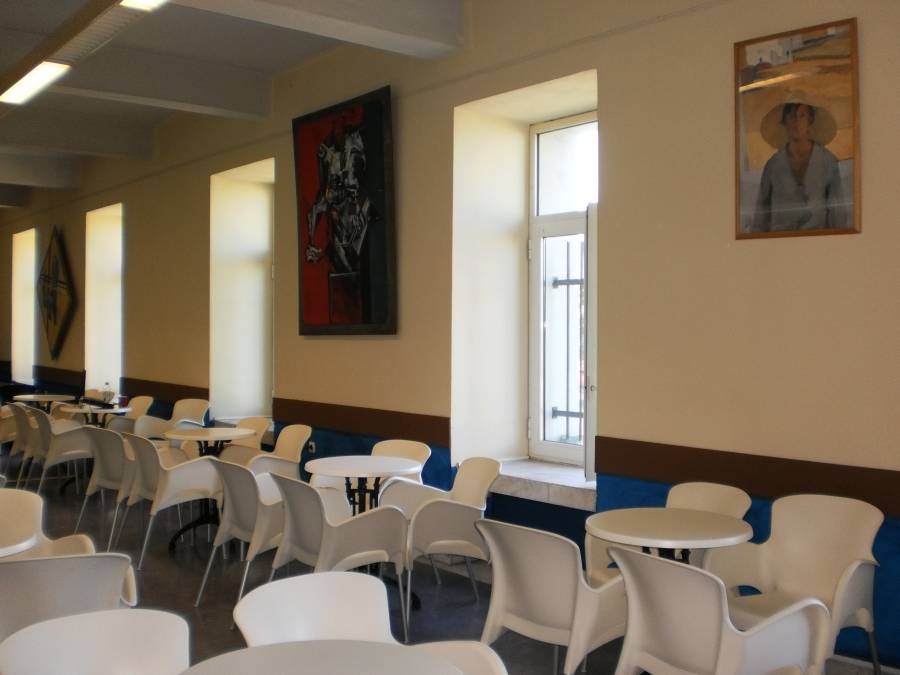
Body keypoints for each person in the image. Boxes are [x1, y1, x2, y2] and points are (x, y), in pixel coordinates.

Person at [751, 99, 847, 232]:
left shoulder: (827, 161)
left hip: (818, 239)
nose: (796, 122)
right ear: (784, 122)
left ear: (810, 121)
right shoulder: (774, 164)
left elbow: (838, 212)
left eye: (802, 116)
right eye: (791, 117)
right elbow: (761, 212)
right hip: (780, 238)